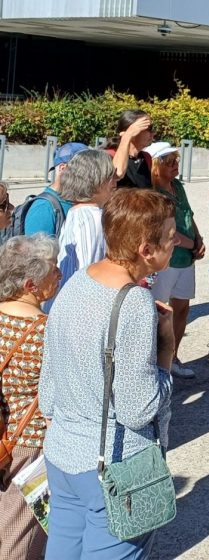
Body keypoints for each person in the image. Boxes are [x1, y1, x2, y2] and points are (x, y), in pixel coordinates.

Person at [39, 188, 176, 558]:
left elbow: (47, 391)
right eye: (169, 237)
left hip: (64, 456)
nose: (175, 242)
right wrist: (166, 354)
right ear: (146, 249)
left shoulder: (77, 281)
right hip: (113, 467)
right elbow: (137, 409)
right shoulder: (133, 303)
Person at [0, 234, 61, 560]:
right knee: (21, 537)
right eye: (53, 269)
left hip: (2, 434)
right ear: (30, 284)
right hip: (29, 445)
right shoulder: (47, 331)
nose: (60, 274)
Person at [146, 142, 205, 380]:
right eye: (169, 162)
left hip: (186, 258)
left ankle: (172, 357)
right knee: (159, 310)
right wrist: (192, 245)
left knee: (182, 307)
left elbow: (189, 214)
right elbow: (163, 228)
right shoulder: (154, 193)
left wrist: (198, 237)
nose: (175, 166)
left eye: (176, 160)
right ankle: (152, 361)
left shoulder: (177, 186)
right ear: (155, 166)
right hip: (167, 260)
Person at [55, 149, 118, 293]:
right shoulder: (93, 218)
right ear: (95, 180)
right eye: (110, 176)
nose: (115, 182)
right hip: (77, 305)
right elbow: (88, 272)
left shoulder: (76, 211)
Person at [24, 142, 88, 236]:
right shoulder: (43, 208)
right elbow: (36, 250)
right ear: (63, 168)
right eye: (84, 169)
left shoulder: (79, 200)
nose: (88, 175)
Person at [105, 109, 155, 188]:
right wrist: (127, 136)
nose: (153, 133)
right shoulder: (109, 156)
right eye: (148, 128)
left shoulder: (146, 158)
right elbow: (118, 173)